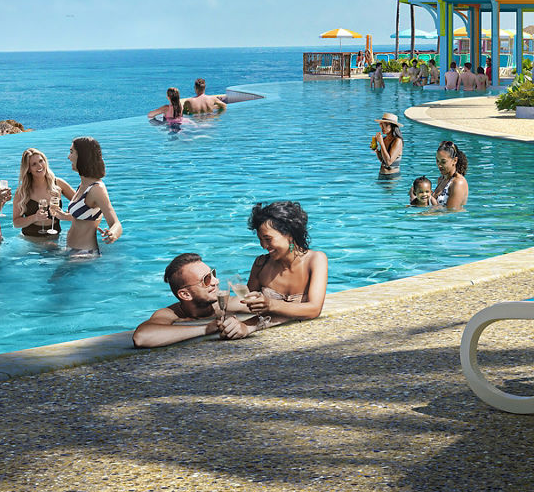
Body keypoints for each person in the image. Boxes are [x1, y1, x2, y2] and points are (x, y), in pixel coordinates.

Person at [132, 254, 268, 347]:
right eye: (206, 279)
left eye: (213, 274)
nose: (216, 281)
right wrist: (206, 329)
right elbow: (142, 337)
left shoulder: (228, 304)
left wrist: (248, 326)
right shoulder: (171, 314)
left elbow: (276, 310)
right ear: (185, 295)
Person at [243, 201, 328, 323]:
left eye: (268, 239)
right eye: (260, 240)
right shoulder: (261, 264)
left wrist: (270, 304)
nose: (263, 246)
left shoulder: (315, 260)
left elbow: (314, 309)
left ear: (289, 234)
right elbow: (245, 304)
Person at [52, 136, 122, 257]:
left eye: (71, 152)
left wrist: (112, 234)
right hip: (71, 250)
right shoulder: (83, 184)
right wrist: (62, 216)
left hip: (84, 254)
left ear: (82, 156)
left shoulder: (97, 189)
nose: (68, 157)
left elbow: (116, 223)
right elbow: (84, 217)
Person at [13, 147, 74, 240]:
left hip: (55, 238)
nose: (39, 166)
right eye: (34, 164)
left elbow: (82, 205)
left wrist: (67, 217)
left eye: (41, 161)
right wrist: (35, 217)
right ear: (28, 169)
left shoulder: (58, 184)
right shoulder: (22, 191)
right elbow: (16, 222)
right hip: (31, 241)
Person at [433, 140, 470, 209]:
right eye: (437, 161)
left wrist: (424, 214)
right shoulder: (441, 179)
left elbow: (451, 212)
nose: (439, 165)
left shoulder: (458, 183)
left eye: (443, 162)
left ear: (455, 160)